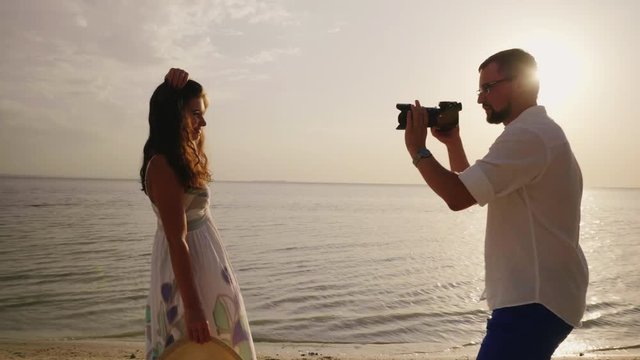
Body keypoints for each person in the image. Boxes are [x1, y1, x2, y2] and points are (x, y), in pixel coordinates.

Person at [403, 49, 589, 359]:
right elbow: (474, 189)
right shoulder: (534, 133)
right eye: (480, 89)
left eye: (488, 88)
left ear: (519, 83)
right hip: (542, 297)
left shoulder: (528, 135)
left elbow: (458, 197)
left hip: (533, 300)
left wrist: (418, 149)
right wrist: (454, 144)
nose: (479, 99)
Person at [140, 68, 256, 360]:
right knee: (192, 348)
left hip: (205, 268)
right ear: (174, 115)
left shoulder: (182, 157)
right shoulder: (162, 166)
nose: (202, 122)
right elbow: (177, 239)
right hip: (188, 276)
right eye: (195, 114)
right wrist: (193, 308)